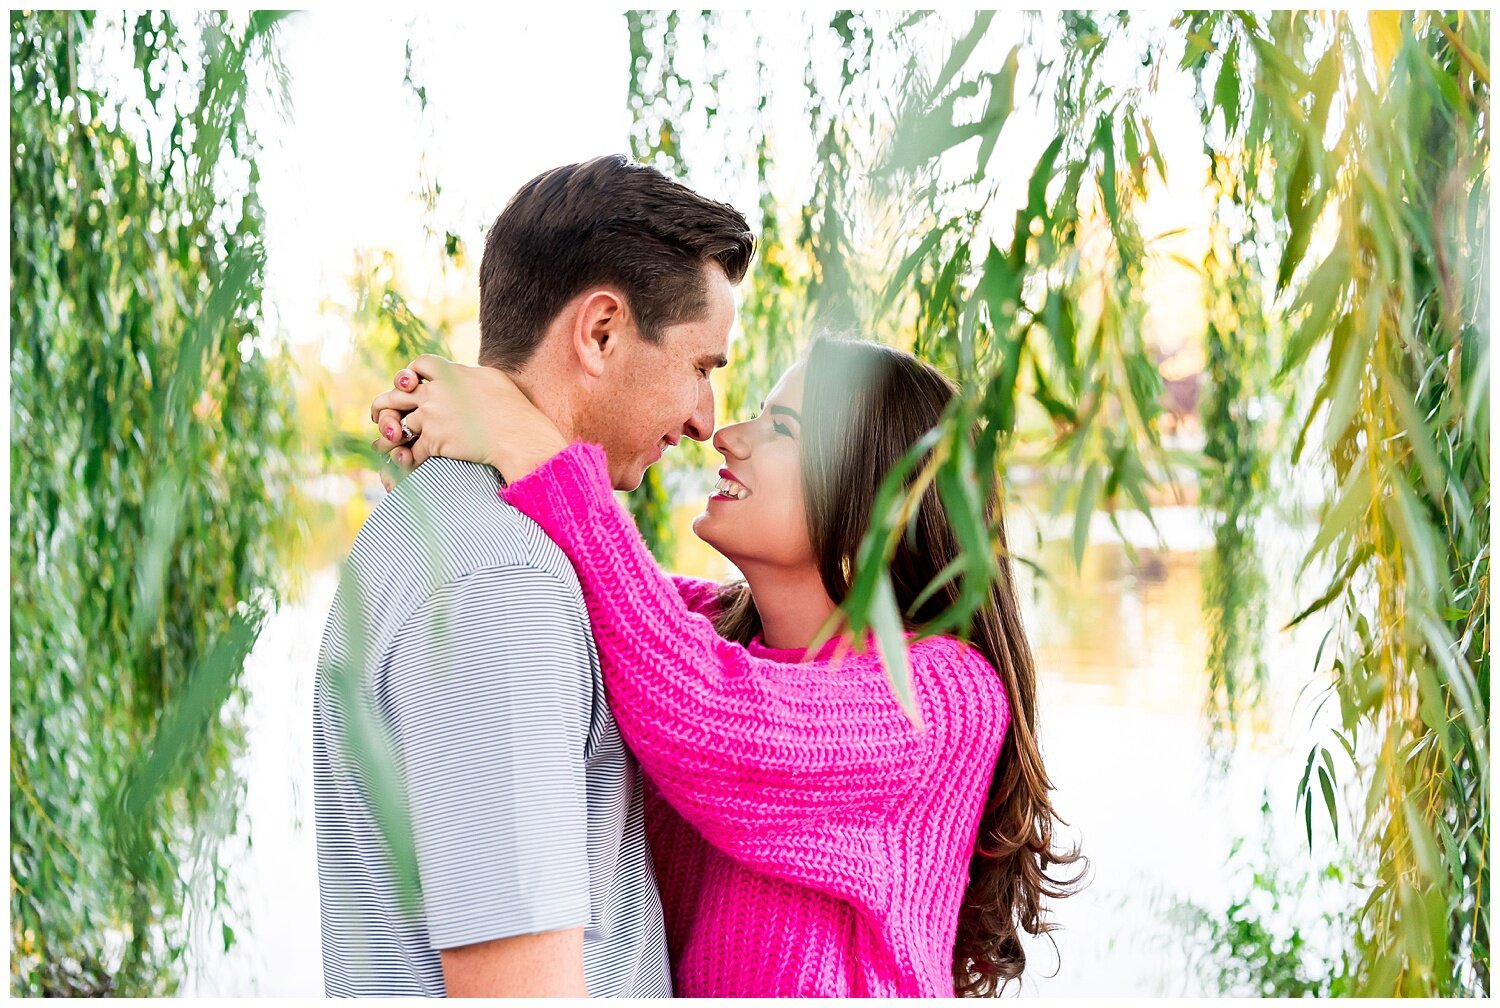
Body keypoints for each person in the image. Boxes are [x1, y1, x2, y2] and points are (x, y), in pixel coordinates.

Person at [369, 337, 1085, 997]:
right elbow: (607, 591)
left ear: (873, 502)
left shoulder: (948, 697)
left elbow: (706, 717)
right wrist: (474, 434)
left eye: (781, 430)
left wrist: (534, 448)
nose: (726, 436)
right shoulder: (710, 633)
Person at [313, 154, 754, 997]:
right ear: (600, 332)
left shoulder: (446, 529)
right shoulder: (501, 583)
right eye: (702, 367)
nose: (705, 419)